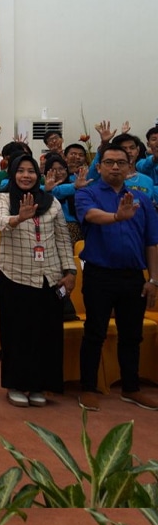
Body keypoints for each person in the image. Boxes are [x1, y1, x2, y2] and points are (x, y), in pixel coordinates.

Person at [74, 143, 158, 411]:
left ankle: (131, 388)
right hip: (99, 274)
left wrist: (153, 279)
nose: (114, 167)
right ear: (99, 167)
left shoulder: (142, 199)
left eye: (120, 163)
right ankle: (88, 388)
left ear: (129, 167)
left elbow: (152, 242)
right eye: (109, 162)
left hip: (134, 276)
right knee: (95, 333)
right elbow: (91, 216)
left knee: (131, 335)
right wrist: (116, 216)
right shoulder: (87, 193)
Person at [0, 154, 75, 408]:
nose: (26, 175)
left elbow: (62, 238)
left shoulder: (51, 203)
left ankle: (40, 385)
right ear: (13, 174)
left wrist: (70, 271)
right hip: (14, 276)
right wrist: (20, 217)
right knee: (17, 335)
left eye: (30, 171)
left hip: (48, 278)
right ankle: (16, 384)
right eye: (21, 171)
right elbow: (0, 222)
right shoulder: (3, 198)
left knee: (46, 335)